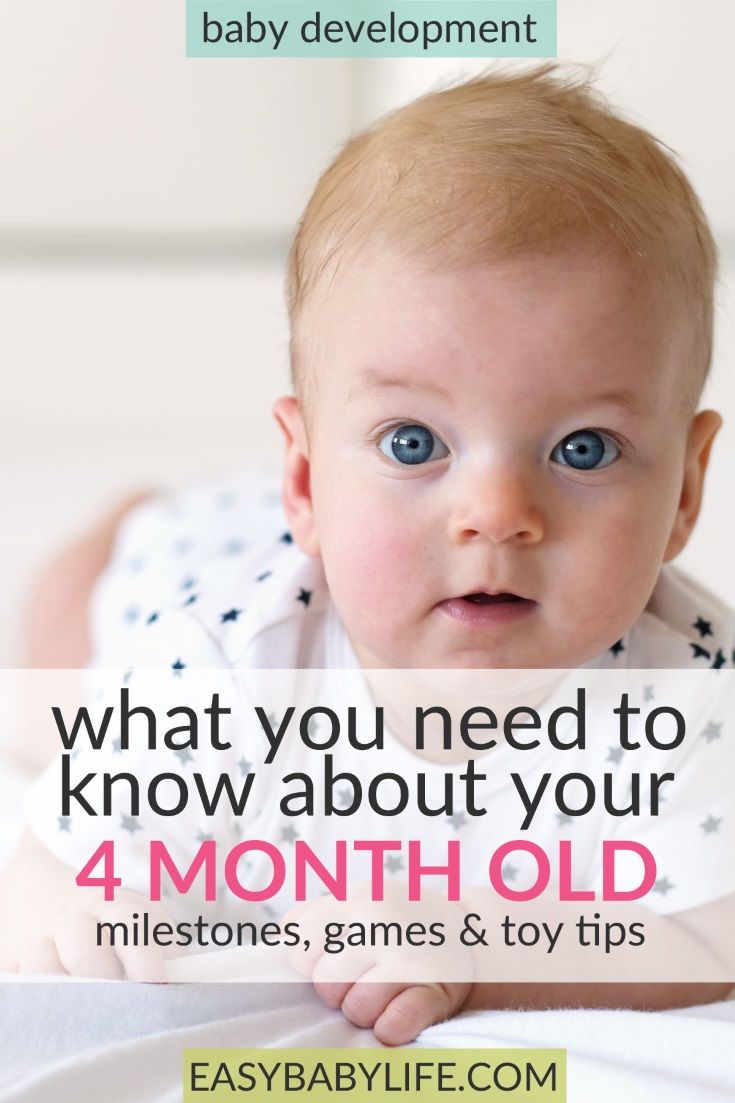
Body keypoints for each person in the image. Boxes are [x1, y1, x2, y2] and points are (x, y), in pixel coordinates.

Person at [4, 64, 734, 1043]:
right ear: (304, 477)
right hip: (199, 551)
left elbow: (713, 928)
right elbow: (49, 862)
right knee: (72, 639)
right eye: (413, 441)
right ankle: (125, 516)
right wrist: (72, 903)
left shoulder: (691, 689)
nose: (497, 515)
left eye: (582, 449)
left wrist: (479, 946)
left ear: (684, 491)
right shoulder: (217, 664)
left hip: (325, 537)